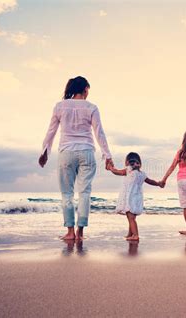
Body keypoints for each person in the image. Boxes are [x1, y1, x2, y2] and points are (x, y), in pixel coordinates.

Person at [39, 76, 114, 240]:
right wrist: (107, 155)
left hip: (66, 152)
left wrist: (45, 151)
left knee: (67, 193)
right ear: (85, 89)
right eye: (88, 90)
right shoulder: (92, 107)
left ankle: (70, 232)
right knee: (85, 192)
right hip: (87, 151)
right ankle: (80, 233)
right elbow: (99, 132)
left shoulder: (60, 106)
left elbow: (51, 131)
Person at [110, 152, 163, 241]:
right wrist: (158, 183)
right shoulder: (142, 174)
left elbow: (116, 172)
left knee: (130, 218)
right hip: (137, 199)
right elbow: (150, 181)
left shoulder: (128, 171)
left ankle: (135, 235)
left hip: (130, 199)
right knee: (131, 217)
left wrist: (111, 168)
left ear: (127, 162)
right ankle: (130, 234)